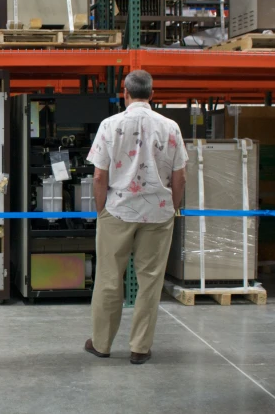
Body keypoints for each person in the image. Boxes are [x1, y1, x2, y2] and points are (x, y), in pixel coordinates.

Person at [83, 69, 187, 365]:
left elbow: (100, 175)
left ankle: (101, 344)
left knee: (108, 279)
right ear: (152, 95)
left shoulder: (110, 125)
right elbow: (180, 177)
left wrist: (101, 209)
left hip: (117, 209)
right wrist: (173, 207)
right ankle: (140, 347)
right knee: (150, 281)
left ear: (124, 93)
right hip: (158, 213)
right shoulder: (171, 128)